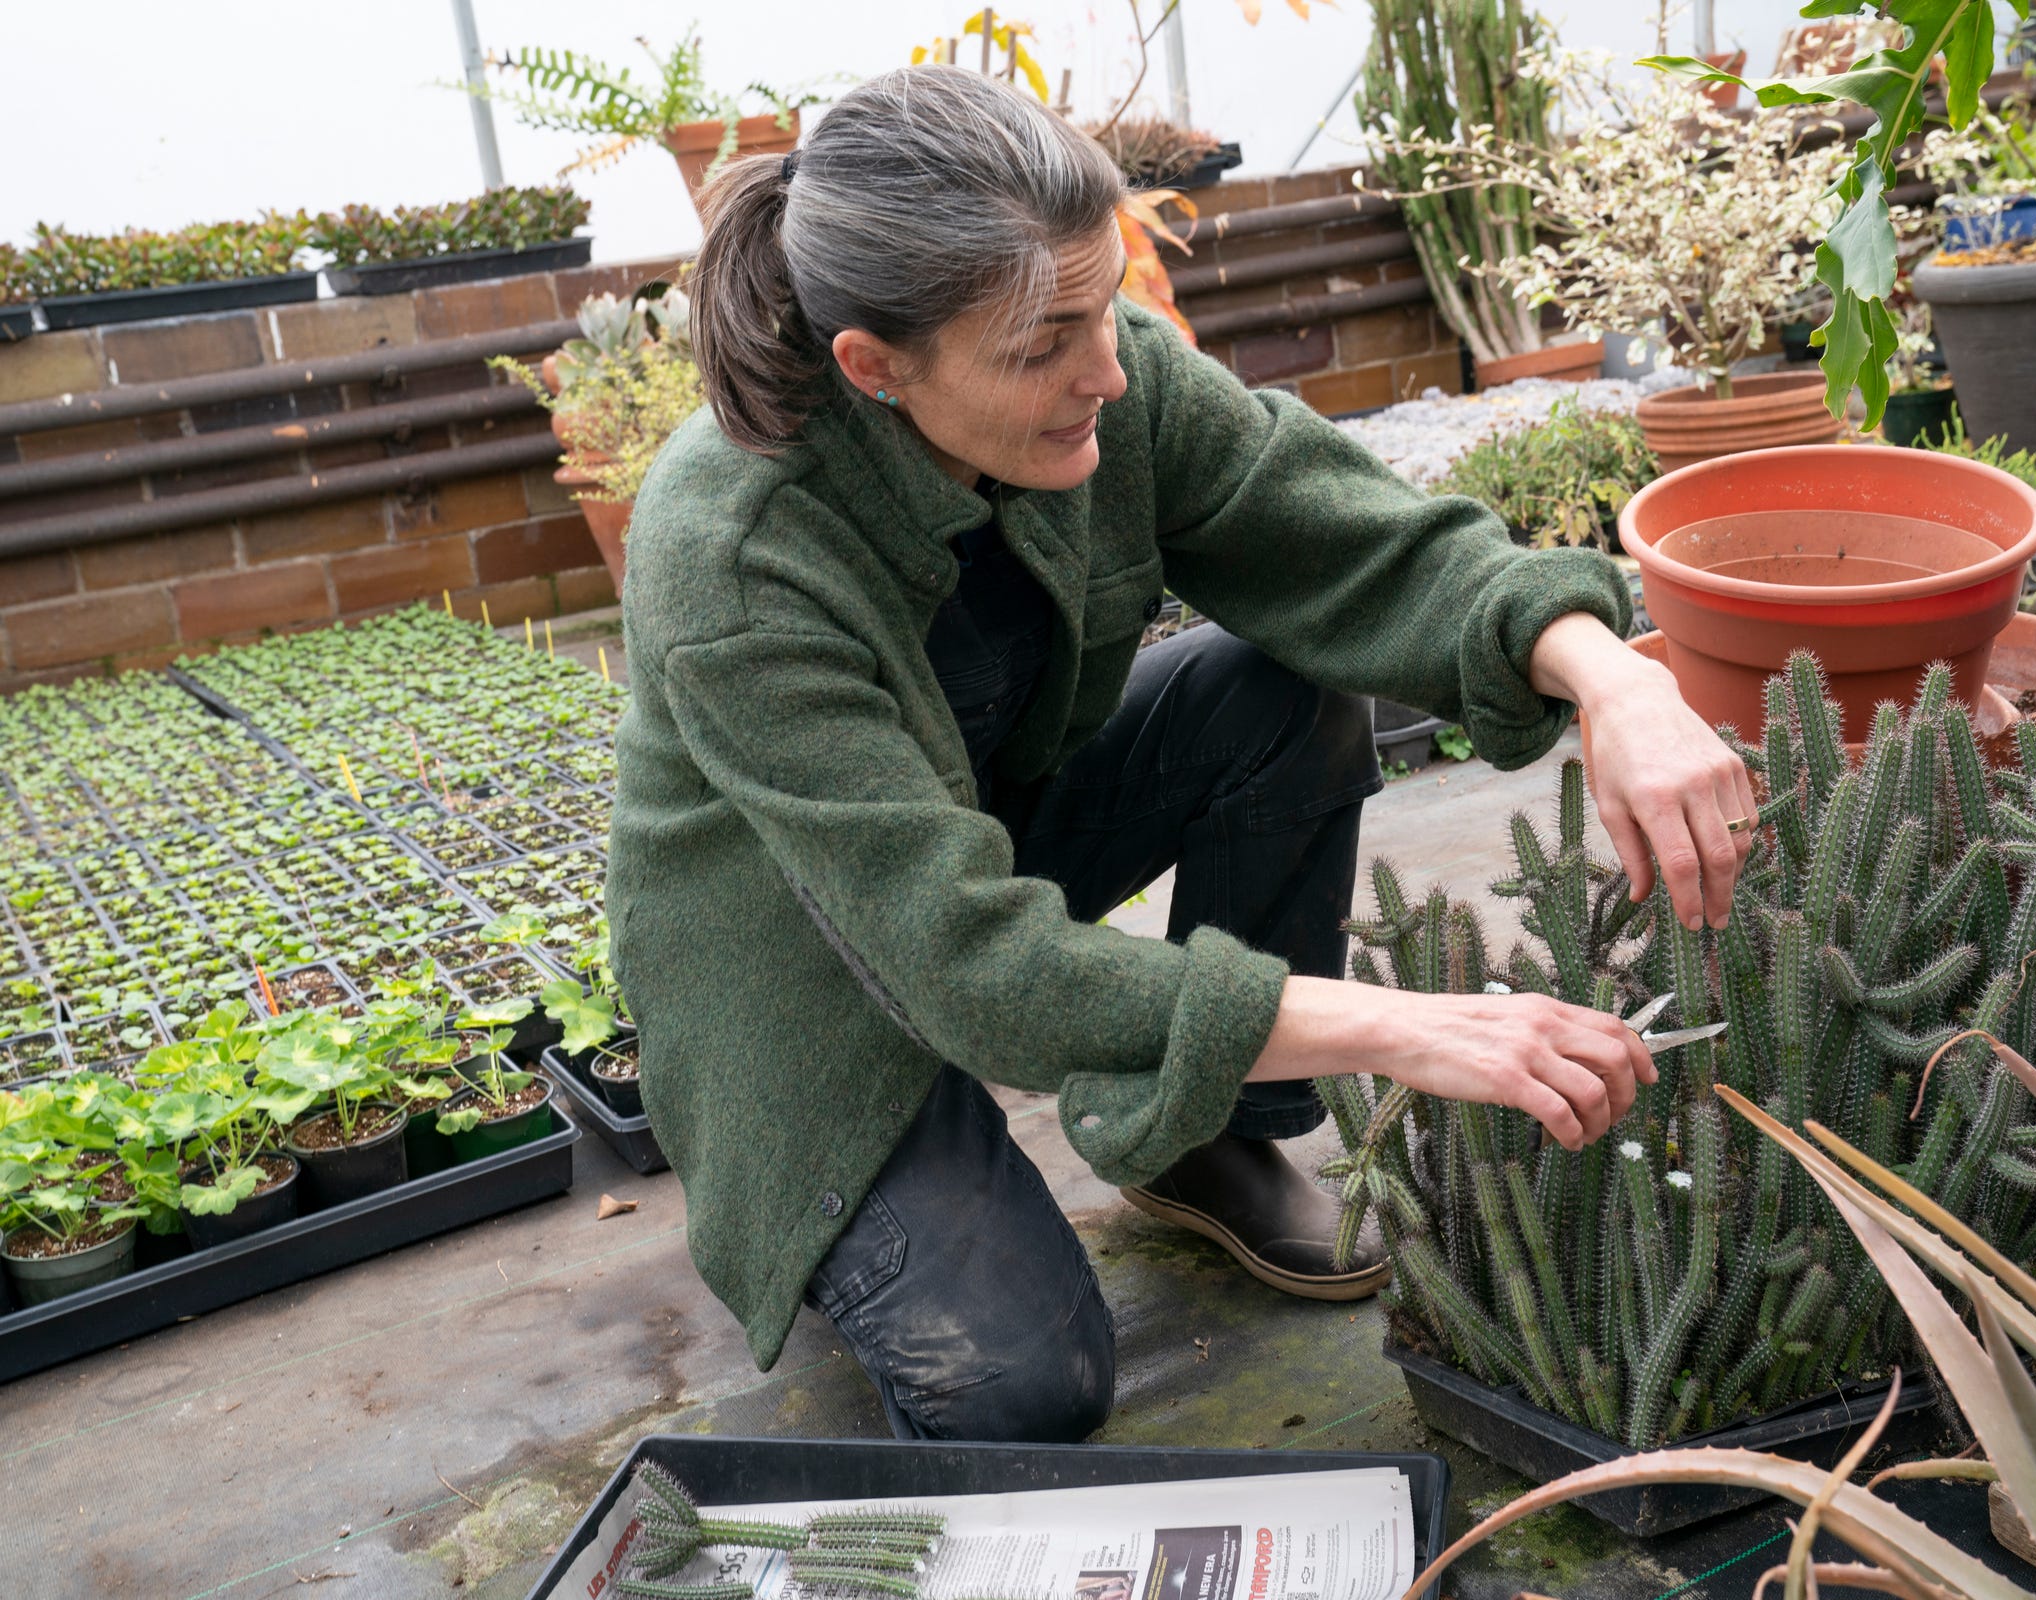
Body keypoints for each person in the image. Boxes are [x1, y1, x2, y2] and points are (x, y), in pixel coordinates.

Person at [606, 65, 1755, 1445]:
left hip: (995, 823)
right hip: (795, 953)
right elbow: (963, 959)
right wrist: (1416, 1027)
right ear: (875, 365)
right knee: (1021, 1389)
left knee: (1282, 689)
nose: (1111, 369)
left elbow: (1349, 537)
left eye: (1108, 309)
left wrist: (1606, 676)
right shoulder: (734, 554)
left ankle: (1208, 1130)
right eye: (1045, 346)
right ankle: (864, 1179)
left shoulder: (1107, 365)